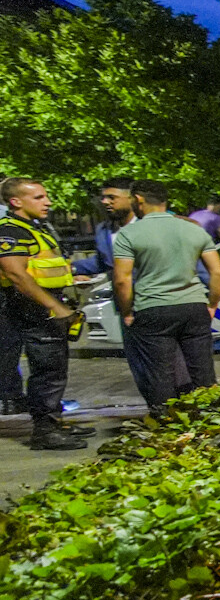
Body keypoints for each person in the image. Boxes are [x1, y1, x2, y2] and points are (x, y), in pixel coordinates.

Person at [113, 181, 220, 414]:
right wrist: (212, 304)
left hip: (153, 309)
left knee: (160, 374)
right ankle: (209, 419)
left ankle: (166, 424)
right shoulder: (194, 230)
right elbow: (217, 272)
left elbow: (122, 279)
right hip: (194, 306)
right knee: (202, 371)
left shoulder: (129, 234)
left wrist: (127, 312)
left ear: (139, 200)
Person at [0, 178, 93, 450]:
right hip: (29, 308)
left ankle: (53, 421)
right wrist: (55, 307)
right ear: (16, 202)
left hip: (42, 305)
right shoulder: (11, 231)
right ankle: (45, 431)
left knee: (53, 367)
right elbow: (16, 274)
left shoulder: (35, 228)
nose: (48, 202)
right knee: (47, 369)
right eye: (39, 197)